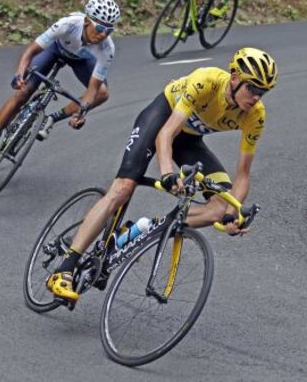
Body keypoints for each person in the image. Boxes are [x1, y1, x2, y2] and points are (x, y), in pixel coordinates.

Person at [46, 47, 278, 302]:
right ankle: (64, 269)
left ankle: (147, 230)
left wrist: (234, 214)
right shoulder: (206, 80)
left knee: (220, 208)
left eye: (263, 91)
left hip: (189, 141)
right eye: (252, 88)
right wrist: (167, 173)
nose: (256, 97)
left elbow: (243, 175)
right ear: (234, 78)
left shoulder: (255, 116)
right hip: (161, 119)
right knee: (123, 188)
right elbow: (166, 134)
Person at [0, 0, 121, 168]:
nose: (103, 35)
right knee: (23, 92)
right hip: (55, 50)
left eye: (109, 31)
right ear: (87, 21)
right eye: (100, 28)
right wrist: (20, 74)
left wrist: (80, 113)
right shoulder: (68, 24)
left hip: (81, 61)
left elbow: (93, 90)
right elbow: (31, 51)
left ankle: (52, 119)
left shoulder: (107, 49)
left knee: (102, 93)